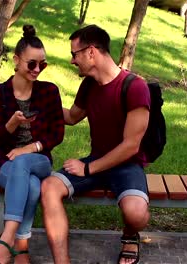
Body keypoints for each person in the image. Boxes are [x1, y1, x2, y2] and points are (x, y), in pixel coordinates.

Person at [40, 24, 151, 264]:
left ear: (91, 52)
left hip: (126, 164)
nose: (72, 61)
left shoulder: (134, 87)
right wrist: (40, 106)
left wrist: (88, 168)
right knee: (49, 187)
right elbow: (72, 117)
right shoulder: (89, 85)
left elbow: (131, 146)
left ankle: (130, 235)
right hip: (95, 160)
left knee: (136, 214)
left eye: (74, 54)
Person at [0, 25, 64, 264]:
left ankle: (5, 241)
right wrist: (11, 125)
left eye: (42, 65)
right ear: (16, 60)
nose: (38, 70)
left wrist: (30, 148)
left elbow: (57, 133)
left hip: (39, 160)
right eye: (32, 64)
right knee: (32, 186)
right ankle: (22, 248)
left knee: (25, 163)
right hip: (3, 161)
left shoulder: (49, 91)